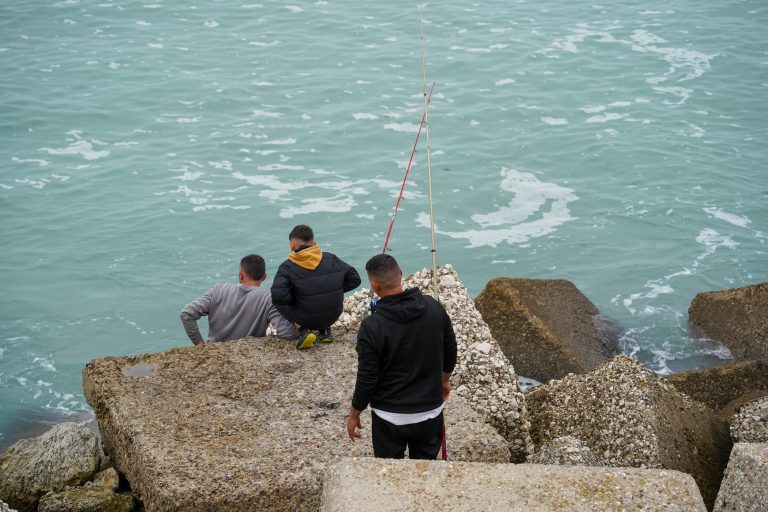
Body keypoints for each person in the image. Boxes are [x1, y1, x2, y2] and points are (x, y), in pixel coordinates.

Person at [346, 254, 457, 459]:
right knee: (425, 470)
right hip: (430, 412)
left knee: (389, 473)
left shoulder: (372, 326)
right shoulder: (433, 307)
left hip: (389, 416)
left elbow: (367, 378)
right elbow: (450, 348)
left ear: (375, 284)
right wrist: (445, 381)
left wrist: (355, 413)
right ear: (401, 273)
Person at [271, 224, 361, 349]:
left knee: (275, 300)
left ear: (292, 245)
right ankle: (324, 331)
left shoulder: (287, 267)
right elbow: (355, 279)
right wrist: (334, 289)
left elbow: (278, 296)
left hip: (306, 319)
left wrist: (298, 298)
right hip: (333, 315)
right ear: (314, 243)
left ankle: (302, 331)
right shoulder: (331, 258)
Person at [180, 254, 301, 345]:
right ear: (264, 277)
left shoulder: (218, 290)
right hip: (247, 358)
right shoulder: (268, 298)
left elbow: (187, 313)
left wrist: (200, 345)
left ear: (241, 274)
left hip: (214, 353)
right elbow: (287, 333)